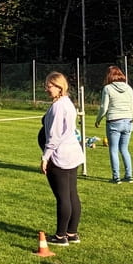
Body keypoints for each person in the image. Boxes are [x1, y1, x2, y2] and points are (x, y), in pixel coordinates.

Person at [38, 71, 84, 247]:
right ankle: (72, 233)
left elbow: (54, 135)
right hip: (71, 153)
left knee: (63, 196)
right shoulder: (67, 103)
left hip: (61, 155)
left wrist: (45, 157)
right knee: (72, 194)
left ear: (59, 87)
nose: (46, 89)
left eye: (49, 86)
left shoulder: (58, 107)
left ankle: (60, 236)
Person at [95, 65, 133, 184]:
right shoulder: (129, 88)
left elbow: (104, 107)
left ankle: (116, 177)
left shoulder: (107, 88)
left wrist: (98, 119)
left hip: (114, 122)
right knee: (124, 149)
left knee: (113, 149)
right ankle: (129, 175)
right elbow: (131, 106)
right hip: (128, 121)